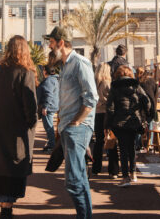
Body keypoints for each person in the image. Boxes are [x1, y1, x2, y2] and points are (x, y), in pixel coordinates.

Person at [46, 26, 98, 219]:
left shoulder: (80, 62)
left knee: (74, 180)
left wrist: (77, 122)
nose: (49, 47)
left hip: (77, 127)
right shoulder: (66, 65)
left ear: (61, 43)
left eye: (51, 42)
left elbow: (92, 97)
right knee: (80, 178)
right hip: (69, 127)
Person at [0, 36, 38, 218]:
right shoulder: (25, 72)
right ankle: (7, 209)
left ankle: (4, 207)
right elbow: (30, 106)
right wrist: (31, 123)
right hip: (17, 131)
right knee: (14, 166)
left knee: (0, 166)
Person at [106, 65, 151, 187]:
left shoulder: (114, 86)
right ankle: (133, 173)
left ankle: (125, 177)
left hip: (119, 121)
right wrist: (145, 114)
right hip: (134, 120)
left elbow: (110, 106)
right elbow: (146, 101)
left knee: (123, 149)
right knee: (132, 147)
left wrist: (109, 123)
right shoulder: (136, 85)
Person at [92, 63, 119, 177]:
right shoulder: (107, 83)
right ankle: (113, 170)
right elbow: (111, 99)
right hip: (107, 113)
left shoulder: (94, 83)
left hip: (97, 113)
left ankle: (96, 168)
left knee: (99, 141)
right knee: (111, 141)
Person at [36, 65, 59, 151]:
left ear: (45, 71)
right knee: (49, 125)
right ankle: (51, 143)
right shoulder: (54, 79)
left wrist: (45, 106)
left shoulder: (48, 81)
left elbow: (48, 94)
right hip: (52, 105)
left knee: (48, 126)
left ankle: (51, 144)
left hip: (48, 107)